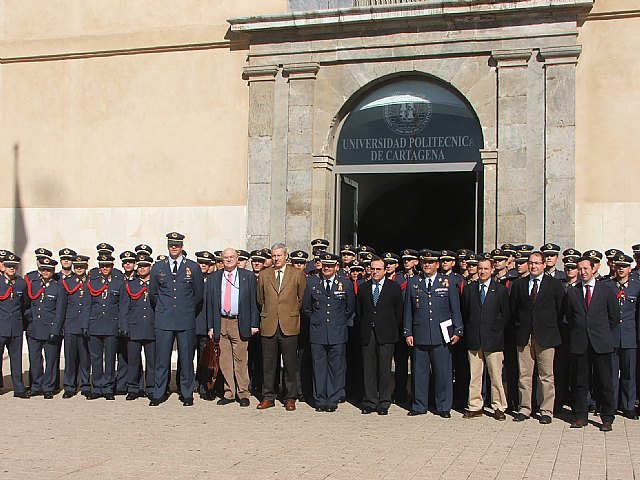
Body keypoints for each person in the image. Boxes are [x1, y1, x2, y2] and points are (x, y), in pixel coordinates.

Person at [404, 249, 463, 417]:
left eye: (430, 262)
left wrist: (458, 330)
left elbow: (455, 308)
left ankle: (443, 406)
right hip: (420, 334)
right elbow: (408, 310)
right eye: (424, 262)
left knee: (443, 373)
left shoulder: (447, 282)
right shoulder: (413, 282)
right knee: (419, 373)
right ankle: (419, 405)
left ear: (437, 264)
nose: (427, 265)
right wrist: (408, 332)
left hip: (441, 335)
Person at [149, 232, 204, 407]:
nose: (174, 247)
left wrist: (186, 308)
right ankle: (159, 392)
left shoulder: (193, 267)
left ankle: (187, 393)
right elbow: (153, 294)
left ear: (182, 246)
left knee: (186, 359)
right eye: (171, 244)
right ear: (167, 246)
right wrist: (164, 308)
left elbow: (198, 294)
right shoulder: (158, 267)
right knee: (161, 359)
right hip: (164, 319)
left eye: (177, 245)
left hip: (185, 318)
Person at [565, 256, 619, 431]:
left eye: (586, 268)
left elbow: (614, 317)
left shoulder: (606, 290)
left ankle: (607, 417)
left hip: (601, 342)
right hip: (580, 342)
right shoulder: (572, 291)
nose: (582, 272)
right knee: (580, 382)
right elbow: (569, 316)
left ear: (594, 269)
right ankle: (580, 416)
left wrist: (600, 332)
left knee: (604, 381)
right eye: (580, 269)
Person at [510, 251, 564, 424]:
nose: (533, 266)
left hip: (546, 336)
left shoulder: (554, 285)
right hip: (524, 335)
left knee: (546, 375)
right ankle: (524, 408)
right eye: (531, 263)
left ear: (544, 265)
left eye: (537, 263)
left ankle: (546, 410)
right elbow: (514, 309)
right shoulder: (519, 284)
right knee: (524, 374)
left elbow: (560, 309)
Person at [302, 253, 355, 412]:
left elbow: (349, 308)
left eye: (330, 266)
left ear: (336, 267)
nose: (327, 268)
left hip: (337, 332)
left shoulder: (345, 284)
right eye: (325, 265)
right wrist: (317, 321)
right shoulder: (312, 283)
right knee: (318, 367)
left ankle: (332, 399)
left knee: (335, 368)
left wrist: (338, 322)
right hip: (317, 332)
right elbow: (307, 308)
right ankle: (319, 399)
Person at [256, 243, 307, 411]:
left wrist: (289, 311)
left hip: (289, 323)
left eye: (279, 255)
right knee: (268, 364)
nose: (276, 258)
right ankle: (268, 396)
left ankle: (290, 397)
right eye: (274, 255)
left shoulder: (296, 273)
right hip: (269, 323)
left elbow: (301, 297)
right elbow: (260, 298)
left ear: (286, 256)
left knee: (290, 364)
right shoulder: (264, 274)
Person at [208, 248, 259, 407]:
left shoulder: (248, 276)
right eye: (226, 257)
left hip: (239, 322)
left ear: (237, 259)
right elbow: (210, 303)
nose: (229, 260)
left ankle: (243, 393)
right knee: (224, 360)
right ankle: (229, 392)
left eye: (232, 257)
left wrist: (254, 324)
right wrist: (211, 326)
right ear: (221, 260)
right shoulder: (214, 277)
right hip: (221, 321)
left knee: (241, 360)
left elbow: (254, 302)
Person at [460, 258, 510, 420]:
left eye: (486, 269)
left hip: (493, 339)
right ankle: (475, 406)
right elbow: (465, 312)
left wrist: (497, 331)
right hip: (474, 338)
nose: (482, 272)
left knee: (496, 376)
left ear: (492, 270)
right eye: (480, 268)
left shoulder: (500, 290)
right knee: (475, 375)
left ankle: (499, 407)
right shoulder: (469, 289)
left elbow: (506, 315)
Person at [357, 257, 403, 415]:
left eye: (378, 269)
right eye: (373, 269)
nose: (375, 272)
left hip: (386, 334)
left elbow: (398, 312)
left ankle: (384, 402)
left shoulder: (394, 288)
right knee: (368, 369)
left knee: (384, 370)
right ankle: (370, 401)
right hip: (368, 333)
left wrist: (390, 327)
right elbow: (359, 312)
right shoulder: (363, 288)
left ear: (385, 270)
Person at [82, 254, 124, 400]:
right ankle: (97, 387)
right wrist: (85, 325)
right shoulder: (92, 282)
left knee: (110, 358)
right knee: (96, 358)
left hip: (112, 325)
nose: (105, 268)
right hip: (95, 325)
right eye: (102, 266)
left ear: (112, 266)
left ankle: (108, 387)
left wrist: (121, 326)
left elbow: (122, 306)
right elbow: (87, 305)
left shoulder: (119, 283)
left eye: (107, 265)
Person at [25, 257, 67, 399]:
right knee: (35, 359)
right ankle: (36, 385)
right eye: (43, 270)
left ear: (53, 271)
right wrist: (29, 315)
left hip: (50, 330)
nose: (45, 272)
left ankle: (48, 387)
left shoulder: (59, 288)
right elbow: (27, 303)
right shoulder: (34, 285)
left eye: (48, 270)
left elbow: (60, 313)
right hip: (34, 329)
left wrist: (55, 331)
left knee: (51, 361)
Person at [119, 254, 156, 400]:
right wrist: (124, 327)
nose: (142, 269)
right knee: (133, 361)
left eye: (145, 266)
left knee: (152, 361)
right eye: (140, 266)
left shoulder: (155, 284)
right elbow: (124, 308)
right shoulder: (130, 284)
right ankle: (133, 388)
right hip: (134, 328)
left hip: (151, 328)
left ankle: (151, 388)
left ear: (150, 267)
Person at [610, 253, 639, 419]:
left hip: (629, 336)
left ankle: (628, 406)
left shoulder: (636, 287)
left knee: (629, 374)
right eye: (618, 266)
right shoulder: (607, 286)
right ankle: (611, 405)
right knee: (612, 374)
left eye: (624, 266)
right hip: (612, 336)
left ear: (629, 268)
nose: (621, 269)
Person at [60, 255, 91, 398]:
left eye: (82, 267)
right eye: (77, 267)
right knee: (70, 358)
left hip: (86, 326)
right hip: (71, 325)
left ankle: (85, 385)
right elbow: (62, 306)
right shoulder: (67, 282)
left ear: (86, 267)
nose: (79, 269)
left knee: (85, 358)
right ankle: (69, 386)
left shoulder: (91, 282)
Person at [0, 253, 30, 398]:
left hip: (16, 327)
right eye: (8, 266)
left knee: (16, 359)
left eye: (14, 266)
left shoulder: (21, 283)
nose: (11, 269)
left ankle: (18, 388)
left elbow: (25, 305)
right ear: (3, 267)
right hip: (1, 326)